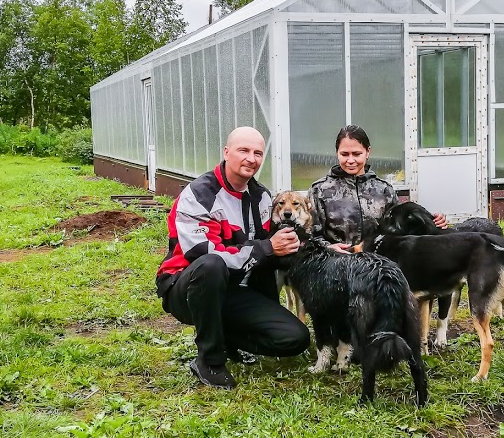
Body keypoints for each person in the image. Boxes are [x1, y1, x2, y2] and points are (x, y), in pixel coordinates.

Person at [156, 126, 309, 389]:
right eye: (244, 150)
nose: (252, 158)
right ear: (226, 152)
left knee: (296, 338)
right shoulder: (198, 194)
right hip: (187, 288)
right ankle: (210, 359)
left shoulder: (262, 196)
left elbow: (272, 250)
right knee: (212, 265)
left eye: (258, 153)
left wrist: (319, 249)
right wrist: (266, 248)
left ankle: (226, 336)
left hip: (235, 289)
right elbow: (200, 255)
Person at [309, 125, 447, 244]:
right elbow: (310, 235)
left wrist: (432, 223)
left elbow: (402, 230)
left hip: (380, 266)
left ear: (368, 152)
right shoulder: (319, 191)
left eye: (357, 154)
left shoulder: (384, 190)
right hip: (337, 266)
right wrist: (328, 248)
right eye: (345, 154)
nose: (350, 160)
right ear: (337, 153)